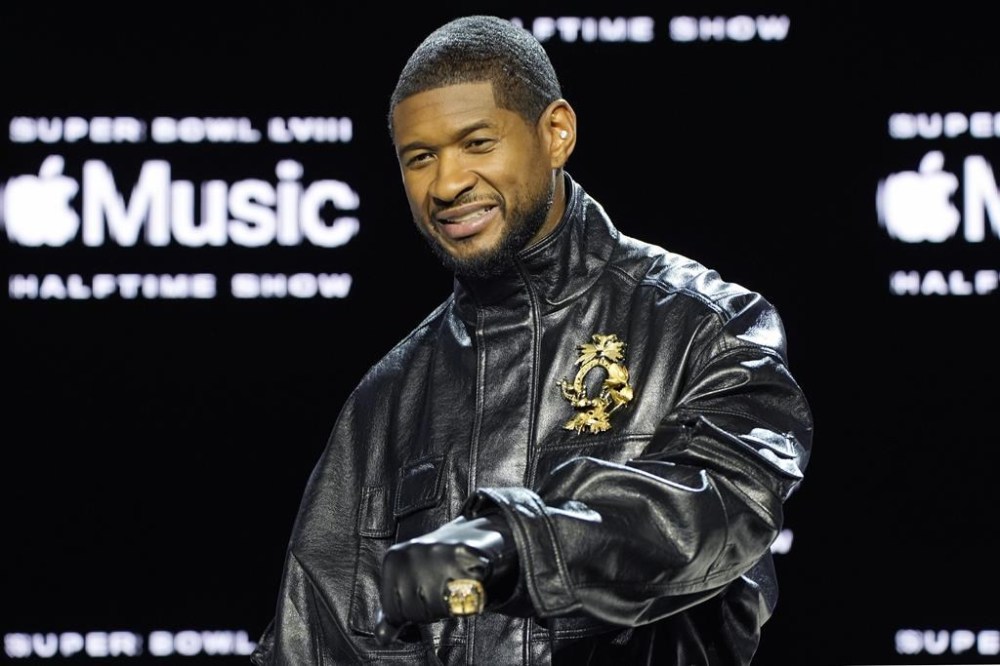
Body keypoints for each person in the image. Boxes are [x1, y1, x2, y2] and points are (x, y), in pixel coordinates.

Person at [251, 14, 812, 666]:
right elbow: (307, 644)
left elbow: (723, 507)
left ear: (556, 133)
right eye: (421, 158)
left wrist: (514, 548)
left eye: (477, 143)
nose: (448, 183)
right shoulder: (385, 401)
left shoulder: (707, 326)